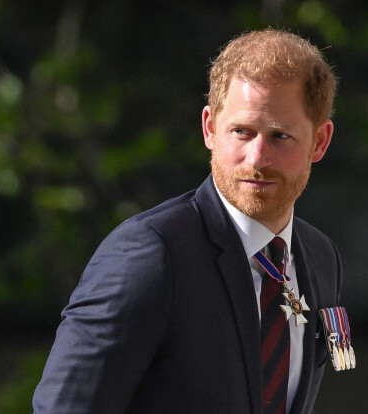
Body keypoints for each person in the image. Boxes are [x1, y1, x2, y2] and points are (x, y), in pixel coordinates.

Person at [33, 28, 342, 414]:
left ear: (320, 141)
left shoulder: (319, 257)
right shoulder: (151, 253)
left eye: (279, 136)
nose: (256, 158)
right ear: (210, 128)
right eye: (241, 132)